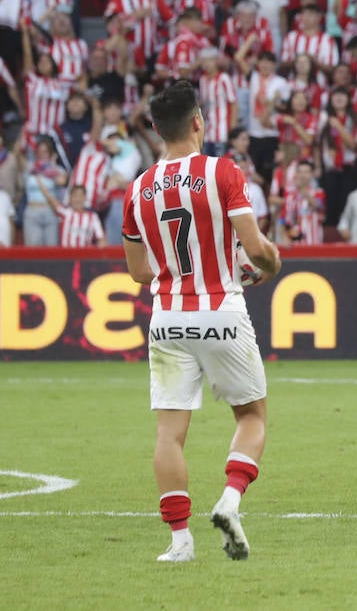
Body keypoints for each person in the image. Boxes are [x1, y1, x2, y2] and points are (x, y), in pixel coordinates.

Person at [120, 80, 282, 562]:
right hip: (221, 311)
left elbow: (135, 272)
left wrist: (170, 271)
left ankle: (179, 542)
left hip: (168, 317)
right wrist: (270, 263)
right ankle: (230, 500)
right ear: (198, 122)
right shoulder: (222, 172)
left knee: (169, 433)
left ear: (155, 129)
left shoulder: (138, 188)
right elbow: (255, 251)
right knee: (251, 416)